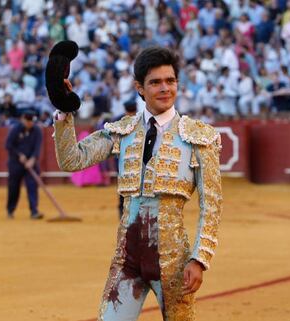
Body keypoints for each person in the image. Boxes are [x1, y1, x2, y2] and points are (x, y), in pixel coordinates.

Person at [52, 46, 222, 321]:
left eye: (170, 81)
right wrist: (63, 110)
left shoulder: (199, 137)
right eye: (155, 82)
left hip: (174, 261)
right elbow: (72, 160)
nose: (165, 88)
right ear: (140, 88)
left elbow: (211, 205)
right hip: (127, 258)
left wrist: (199, 258)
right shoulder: (123, 131)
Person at [5, 109, 43, 219]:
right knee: (14, 187)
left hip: (31, 163)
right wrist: (19, 155)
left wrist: (32, 159)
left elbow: (37, 147)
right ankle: (10, 210)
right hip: (15, 164)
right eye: (28, 121)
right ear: (23, 120)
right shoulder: (15, 129)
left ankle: (34, 211)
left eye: (32, 121)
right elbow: (8, 145)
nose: (30, 123)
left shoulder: (37, 130)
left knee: (32, 186)